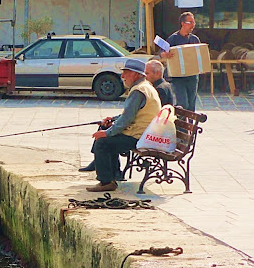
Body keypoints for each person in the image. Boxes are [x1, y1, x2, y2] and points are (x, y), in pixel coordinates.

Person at [85, 59, 161, 192]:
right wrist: (113, 120)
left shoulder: (138, 90)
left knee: (102, 142)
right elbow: (131, 114)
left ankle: (106, 181)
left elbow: (127, 118)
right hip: (144, 133)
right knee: (105, 132)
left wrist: (107, 133)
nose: (122, 76)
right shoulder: (145, 86)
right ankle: (112, 174)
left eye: (126, 73)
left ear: (136, 74)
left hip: (139, 137)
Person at [161, 12, 200, 111]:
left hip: (192, 76)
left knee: (191, 105)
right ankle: (181, 125)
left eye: (193, 22)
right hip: (178, 77)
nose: (193, 25)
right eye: (190, 22)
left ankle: (190, 126)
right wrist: (165, 55)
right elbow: (161, 52)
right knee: (183, 104)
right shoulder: (173, 38)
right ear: (182, 23)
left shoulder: (194, 39)